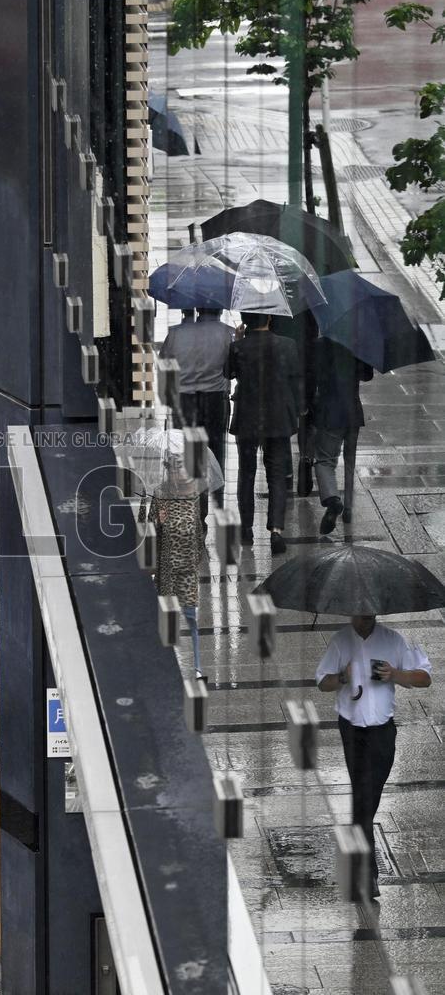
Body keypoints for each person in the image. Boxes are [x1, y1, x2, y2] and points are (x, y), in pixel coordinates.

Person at [317, 615, 431, 899]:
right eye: (359, 611)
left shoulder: (394, 639)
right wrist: (343, 676)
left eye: (369, 612)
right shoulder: (341, 640)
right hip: (351, 730)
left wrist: (396, 675)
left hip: (383, 732)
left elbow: (424, 677)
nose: (364, 617)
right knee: (363, 798)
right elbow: (322, 682)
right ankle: (367, 876)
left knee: (367, 799)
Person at [225, 312, 301, 554]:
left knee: (246, 472)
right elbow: (295, 378)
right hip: (278, 416)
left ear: (246, 321)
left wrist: (236, 340)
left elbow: (227, 373)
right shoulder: (287, 345)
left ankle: (246, 529)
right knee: (277, 473)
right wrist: (299, 409)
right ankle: (276, 530)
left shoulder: (239, 347)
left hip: (247, 417)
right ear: (269, 317)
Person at [160, 307, 234, 529]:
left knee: (186, 455)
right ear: (219, 309)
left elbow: (164, 364)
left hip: (184, 401)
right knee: (214, 452)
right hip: (214, 401)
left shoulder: (175, 333)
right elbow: (231, 369)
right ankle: (212, 501)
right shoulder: (226, 333)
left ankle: (192, 510)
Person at [139, 456, 205, 678]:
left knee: (190, 617)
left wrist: (199, 555)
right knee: (166, 617)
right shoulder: (160, 494)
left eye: (182, 470)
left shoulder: (193, 493)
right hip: (167, 565)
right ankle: (164, 663)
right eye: (175, 470)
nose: (180, 475)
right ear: (168, 472)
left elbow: (198, 525)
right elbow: (147, 527)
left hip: (188, 565)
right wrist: (149, 508)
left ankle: (197, 668)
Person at [312, 338, 374, 535]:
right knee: (350, 461)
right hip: (353, 411)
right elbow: (367, 376)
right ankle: (348, 508)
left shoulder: (320, 345)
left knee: (324, 460)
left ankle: (332, 500)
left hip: (330, 410)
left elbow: (312, 375)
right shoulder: (360, 343)